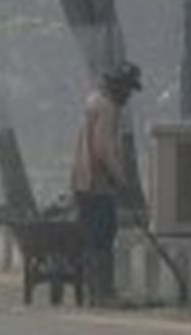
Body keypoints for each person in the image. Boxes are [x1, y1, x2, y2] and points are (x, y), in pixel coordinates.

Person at [70, 61, 142, 305]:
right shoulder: (107, 107)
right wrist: (121, 178)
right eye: (127, 90)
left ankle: (95, 292)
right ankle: (104, 293)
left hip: (83, 181)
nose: (128, 96)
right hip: (97, 183)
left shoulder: (93, 101)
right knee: (103, 236)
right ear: (118, 87)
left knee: (93, 237)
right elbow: (103, 149)